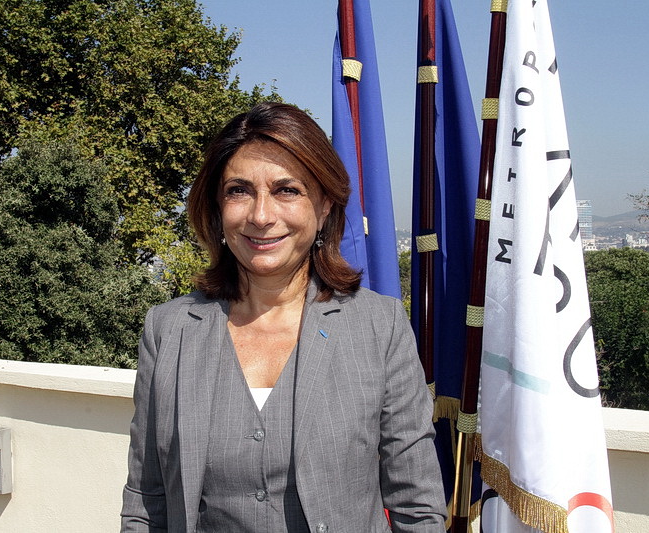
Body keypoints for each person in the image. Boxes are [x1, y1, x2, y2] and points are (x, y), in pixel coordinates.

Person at [121, 102, 446, 532]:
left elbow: (417, 506)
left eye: (286, 190)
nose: (260, 215)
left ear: (325, 205)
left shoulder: (378, 326)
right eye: (239, 190)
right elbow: (146, 502)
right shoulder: (169, 331)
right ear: (217, 208)